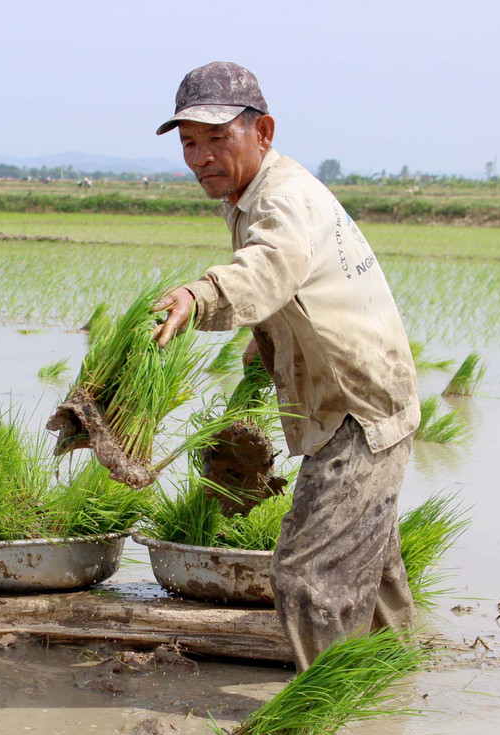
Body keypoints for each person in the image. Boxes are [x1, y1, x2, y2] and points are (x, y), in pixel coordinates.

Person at [151, 62, 420, 669]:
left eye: (217, 138)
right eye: (190, 142)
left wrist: (200, 295)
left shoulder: (283, 199)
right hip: (356, 395)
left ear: (263, 131)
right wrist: (264, 341)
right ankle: (397, 694)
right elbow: (292, 284)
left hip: (359, 409)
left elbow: (270, 263)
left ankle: (320, 720)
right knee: (369, 568)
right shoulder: (254, 195)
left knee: (308, 576)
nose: (200, 157)